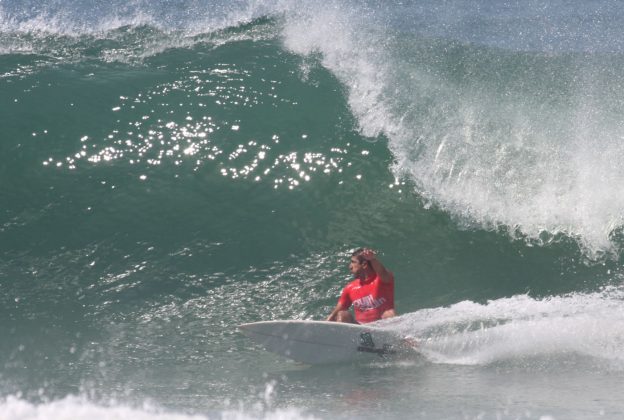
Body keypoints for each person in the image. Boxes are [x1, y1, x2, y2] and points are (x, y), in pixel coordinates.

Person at [327, 248, 396, 324]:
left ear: (364, 264)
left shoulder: (383, 280)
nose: (350, 266)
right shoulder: (350, 288)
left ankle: (398, 335)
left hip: (383, 327)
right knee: (342, 314)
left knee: (389, 313)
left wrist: (372, 259)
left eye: (353, 262)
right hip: (360, 329)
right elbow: (336, 312)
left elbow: (382, 272)